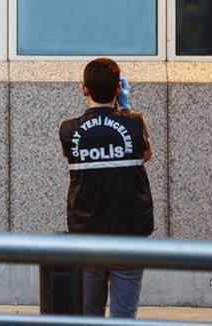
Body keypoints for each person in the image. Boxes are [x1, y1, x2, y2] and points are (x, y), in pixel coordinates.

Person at [59, 58, 154, 318]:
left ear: (84, 89)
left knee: (89, 312)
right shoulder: (135, 123)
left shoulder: (69, 130)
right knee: (124, 314)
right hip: (129, 230)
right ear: (118, 89)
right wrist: (126, 107)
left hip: (87, 231)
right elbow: (146, 155)